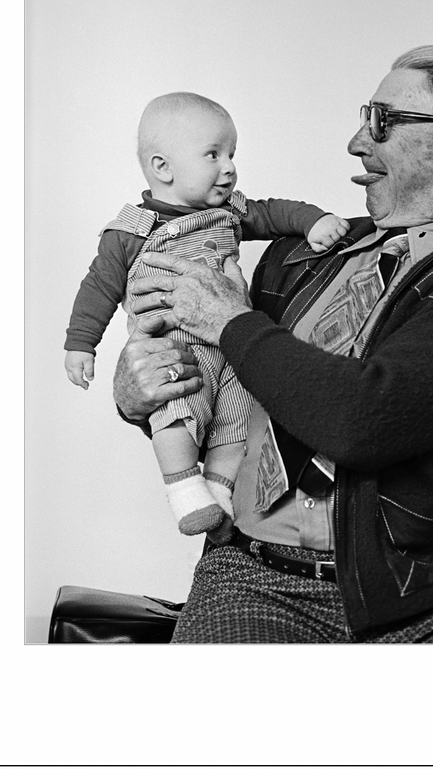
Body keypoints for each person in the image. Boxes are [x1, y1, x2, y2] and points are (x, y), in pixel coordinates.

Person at [113, 46, 433, 643]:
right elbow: (223, 375)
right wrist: (135, 387)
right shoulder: (299, 253)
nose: (357, 142)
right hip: (251, 575)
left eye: (381, 120)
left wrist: (229, 318)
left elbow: (362, 419)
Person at [64, 91, 349, 541]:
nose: (230, 167)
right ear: (163, 168)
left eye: (232, 153)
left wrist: (315, 221)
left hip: (234, 345)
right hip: (174, 347)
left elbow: (276, 213)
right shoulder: (131, 230)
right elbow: (98, 288)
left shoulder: (229, 212)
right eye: (213, 154)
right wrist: (81, 344)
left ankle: (218, 493)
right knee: (176, 410)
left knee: (238, 419)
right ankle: (184, 490)